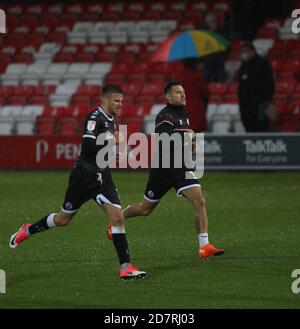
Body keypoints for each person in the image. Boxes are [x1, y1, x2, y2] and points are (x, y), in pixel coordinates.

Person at [9, 85, 146, 281]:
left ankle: (126, 267)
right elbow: (89, 144)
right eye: (117, 101)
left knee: (117, 217)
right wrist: (111, 139)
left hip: (103, 177)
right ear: (105, 100)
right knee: (63, 220)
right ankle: (28, 230)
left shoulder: (111, 120)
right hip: (84, 177)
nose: (120, 105)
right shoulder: (94, 118)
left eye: (122, 101)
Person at [107, 80, 224, 259]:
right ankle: (115, 219)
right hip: (163, 169)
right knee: (146, 208)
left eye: (183, 91)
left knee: (199, 200)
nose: (183, 94)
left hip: (180, 168)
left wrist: (191, 144)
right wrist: (188, 137)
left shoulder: (184, 115)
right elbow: (165, 141)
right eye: (178, 92)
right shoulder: (164, 116)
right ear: (168, 97)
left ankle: (204, 245)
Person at [238, 41, 275, 132]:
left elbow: (269, 83)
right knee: (248, 126)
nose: (244, 54)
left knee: (261, 126)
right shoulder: (244, 65)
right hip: (246, 105)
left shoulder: (263, 64)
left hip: (261, 103)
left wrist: (266, 101)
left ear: (252, 51)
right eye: (242, 52)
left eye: (245, 51)